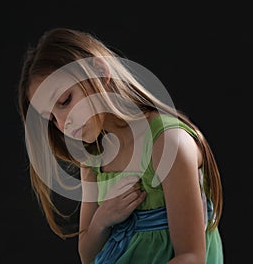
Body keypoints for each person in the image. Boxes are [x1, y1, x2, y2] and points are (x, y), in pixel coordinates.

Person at [17, 27, 224, 264]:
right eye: (51, 119)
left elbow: (192, 257)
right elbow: (88, 255)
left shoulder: (168, 143)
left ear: (100, 72)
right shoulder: (93, 158)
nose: (63, 124)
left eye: (65, 100)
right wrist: (102, 219)